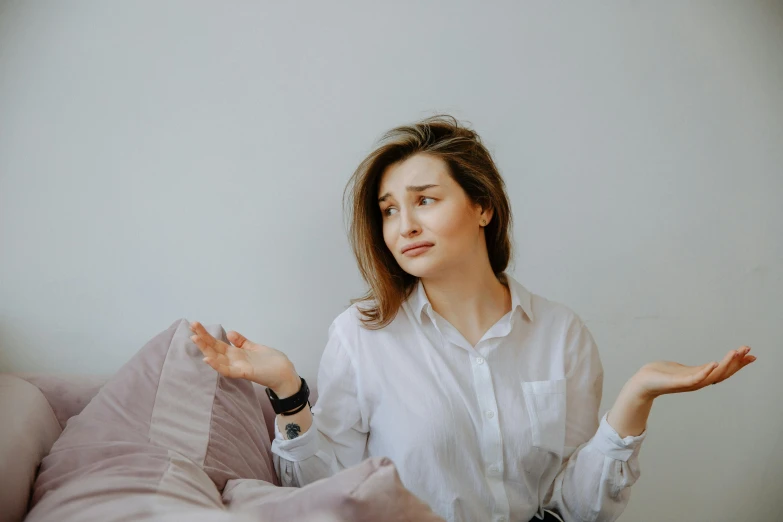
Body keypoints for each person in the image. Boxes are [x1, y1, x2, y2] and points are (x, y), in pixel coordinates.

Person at [189, 115, 755, 522]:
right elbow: (323, 493)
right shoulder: (361, 335)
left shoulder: (562, 336)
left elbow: (577, 508)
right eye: (388, 211)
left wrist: (636, 400)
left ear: (482, 206)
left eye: (425, 200)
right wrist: (288, 392)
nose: (403, 225)